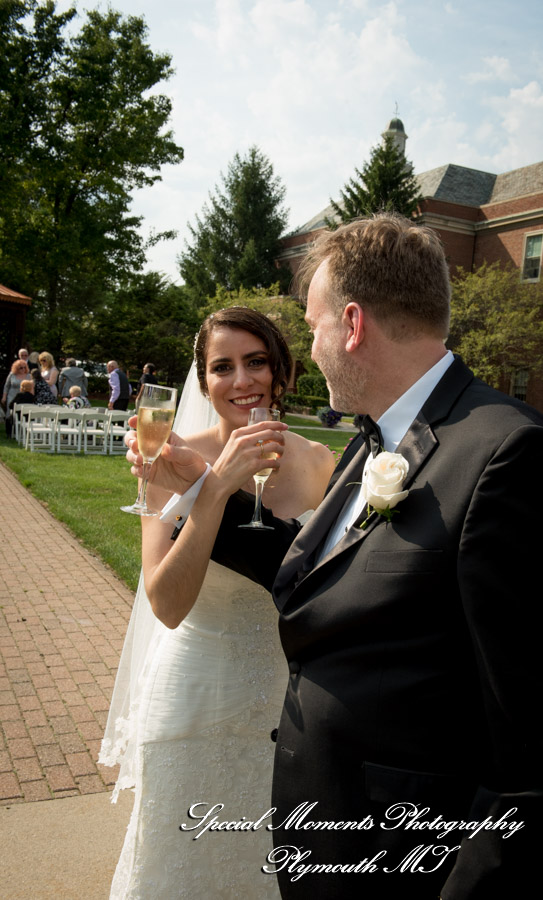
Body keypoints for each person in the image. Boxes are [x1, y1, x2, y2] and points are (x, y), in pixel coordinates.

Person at [128, 214, 543, 900]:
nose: (311, 351)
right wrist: (201, 491)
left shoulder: (506, 454)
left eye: (314, 327)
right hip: (329, 836)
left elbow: (527, 750)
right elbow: (330, 583)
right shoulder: (372, 441)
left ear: (350, 325)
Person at [101, 308, 335, 899]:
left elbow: (319, 594)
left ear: (280, 372)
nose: (241, 381)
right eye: (221, 367)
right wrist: (212, 487)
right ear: (204, 383)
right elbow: (166, 603)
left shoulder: (322, 465)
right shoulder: (166, 458)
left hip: (288, 714)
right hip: (193, 703)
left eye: (256, 362)